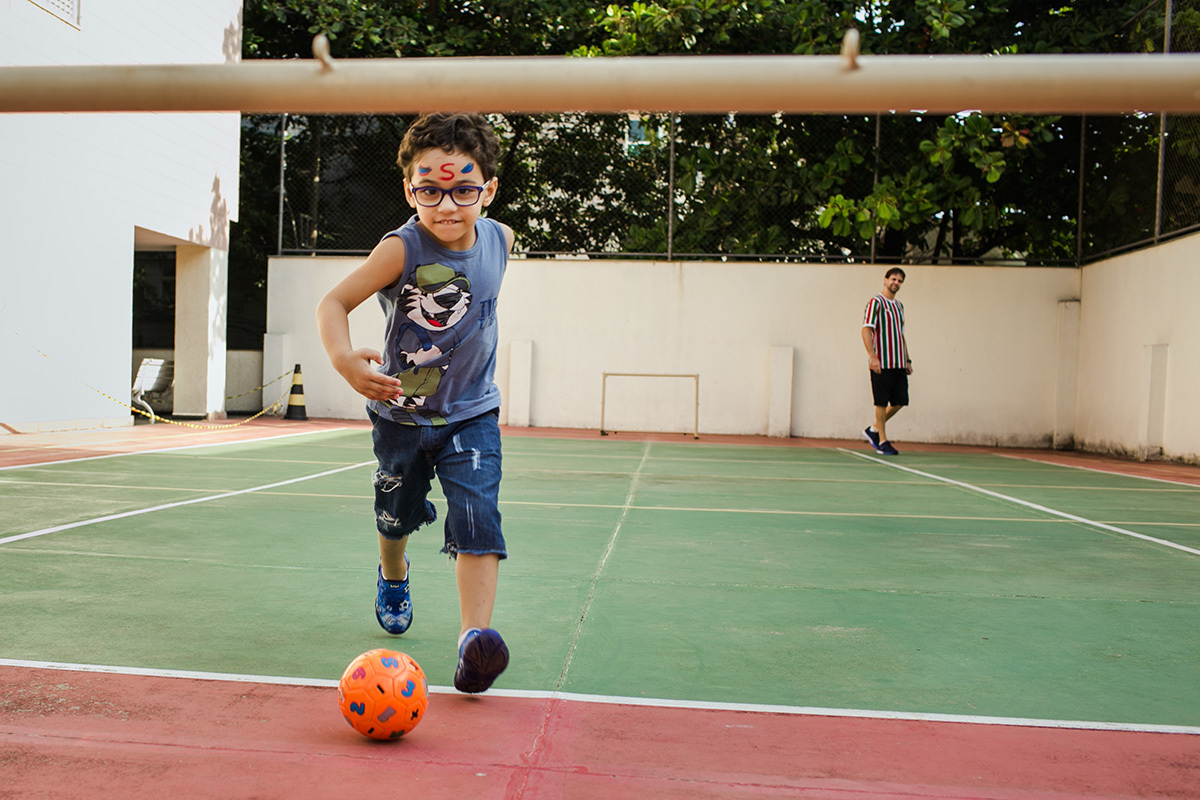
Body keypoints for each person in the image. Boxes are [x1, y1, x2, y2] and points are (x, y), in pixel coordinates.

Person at [316, 112, 514, 694]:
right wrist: (342, 359)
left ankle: (472, 641)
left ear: (489, 190)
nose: (447, 205)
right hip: (400, 417)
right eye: (430, 190)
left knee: (478, 514)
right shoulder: (399, 249)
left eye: (463, 189)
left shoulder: (500, 240)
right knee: (395, 515)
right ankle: (393, 573)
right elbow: (333, 302)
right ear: (410, 190)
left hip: (472, 413)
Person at [861, 267, 912, 456]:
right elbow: (866, 329)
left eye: (899, 281)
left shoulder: (899, 306)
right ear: (885, 280)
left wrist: (907, 359)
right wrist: (872, 356)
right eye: (893, 279)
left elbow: (901, 335)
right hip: (881, 361)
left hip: (898, 362)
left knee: (900, 401)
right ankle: (882, 441)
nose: (896, 283)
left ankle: (873, 430)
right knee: (881, 402)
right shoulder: (876, 302)